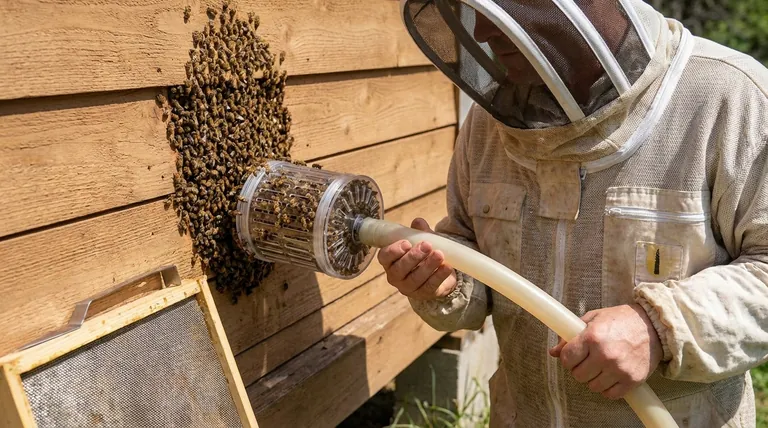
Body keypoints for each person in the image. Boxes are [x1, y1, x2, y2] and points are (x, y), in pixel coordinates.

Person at [381, 0, 768, 426]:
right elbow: (477, 262)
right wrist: (444, 280)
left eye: (502, 9)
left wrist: (658, 328)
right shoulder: (487, 124)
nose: (483, 35)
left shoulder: (727, 97)